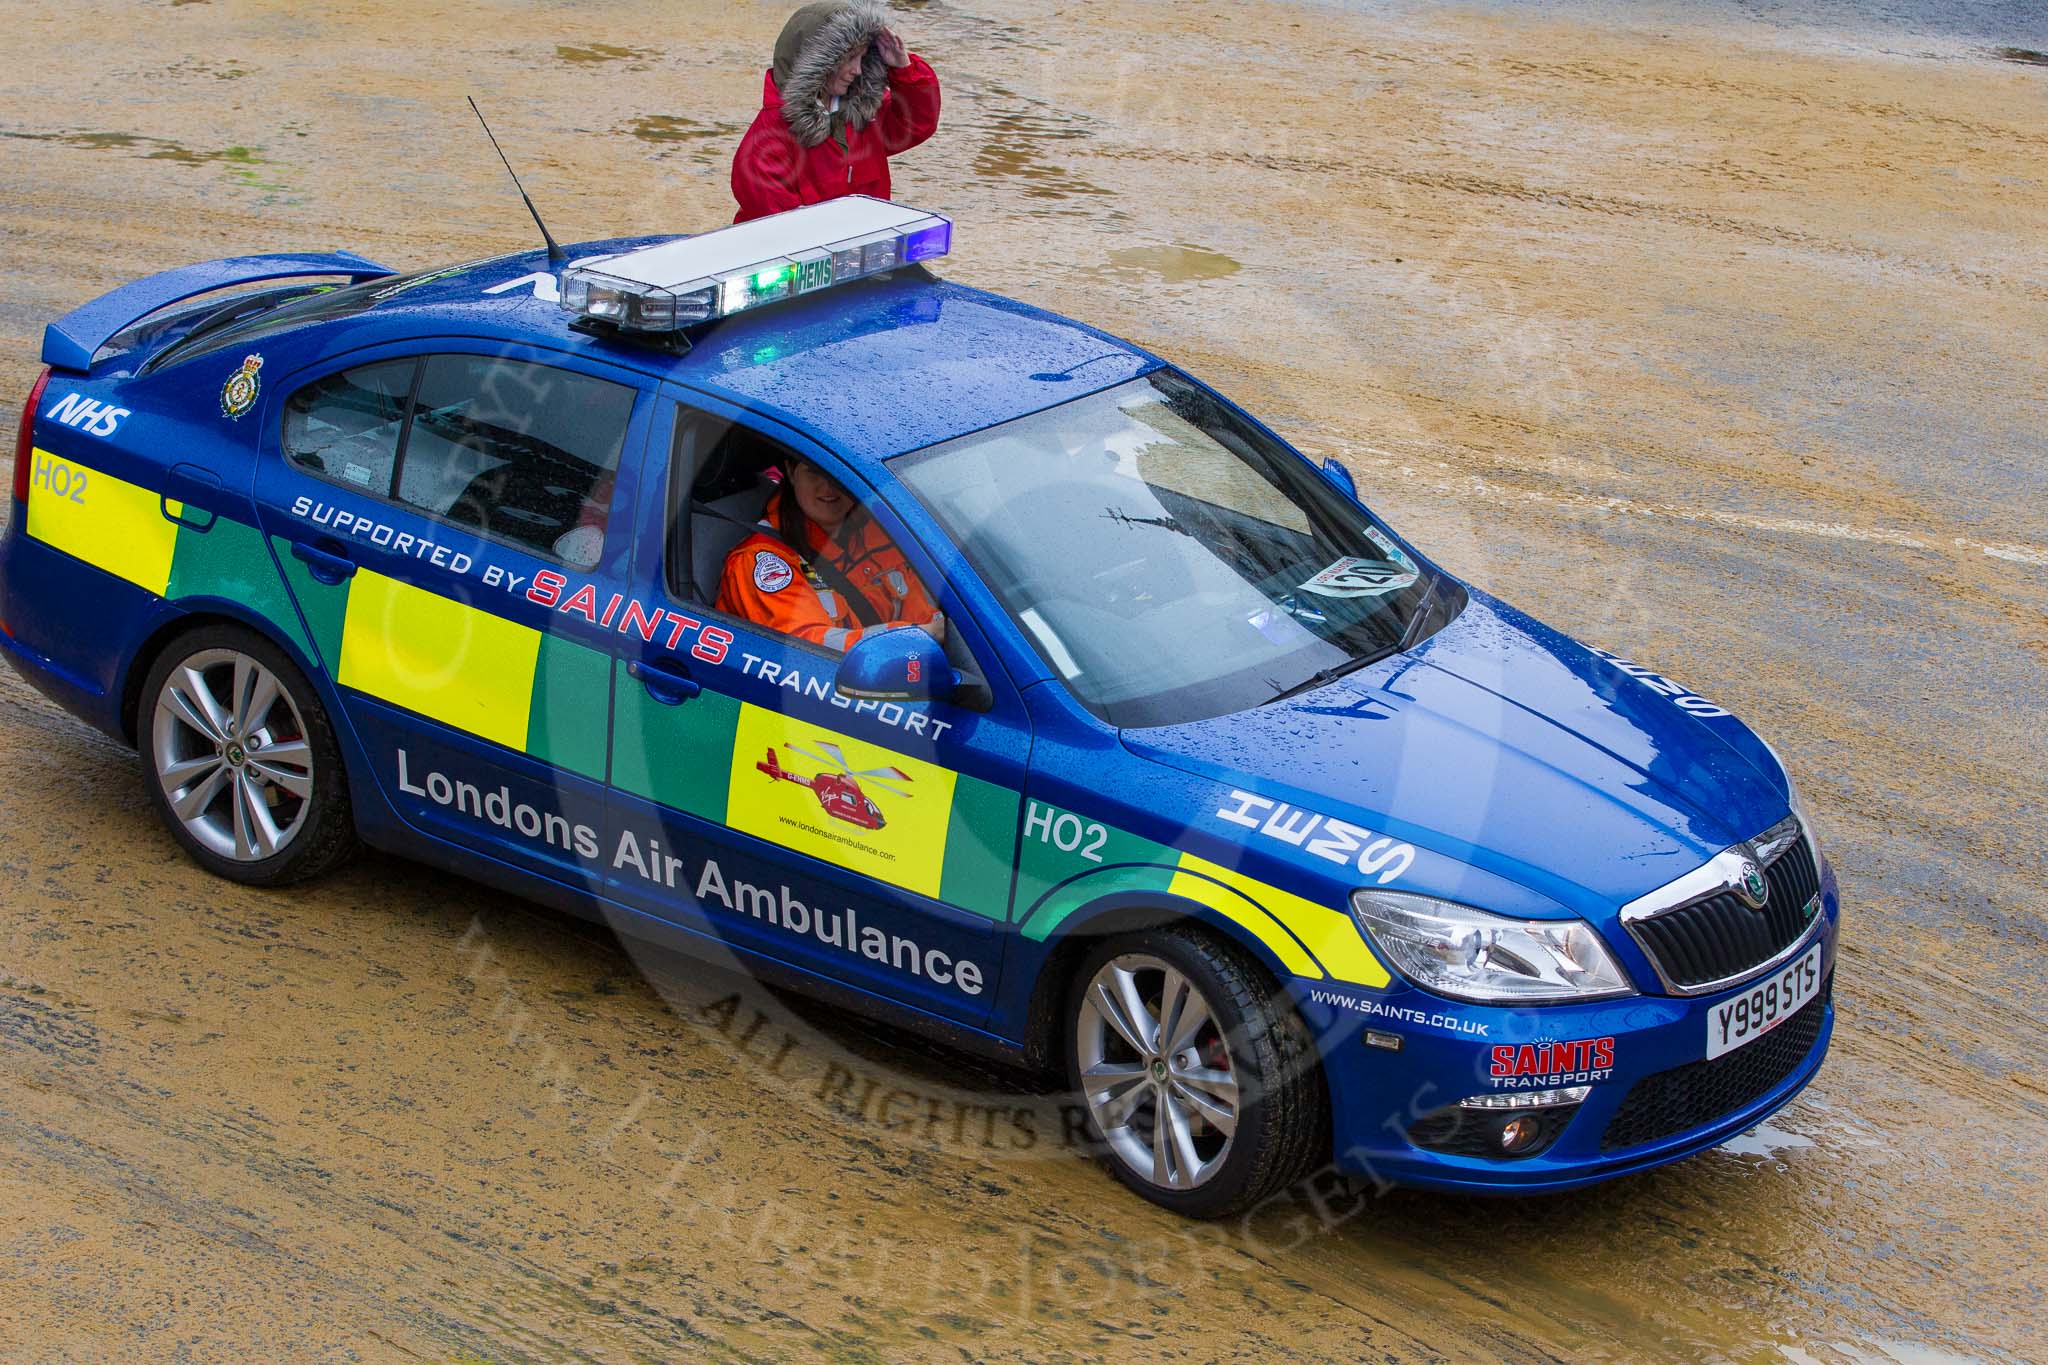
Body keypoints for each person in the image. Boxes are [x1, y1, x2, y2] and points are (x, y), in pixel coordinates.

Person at [731, 2, 941, 223]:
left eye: (862, 57)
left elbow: (917, 124)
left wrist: (903, 69)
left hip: (858, 249)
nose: (857, 70)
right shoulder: (766, 143)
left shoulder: (865, 113)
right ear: (816, 62)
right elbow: (784, 233)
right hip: (801, 254)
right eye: (850, 58)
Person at [717, 457, 944, 653]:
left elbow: (926, 617)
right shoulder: (763, 560)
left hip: (897, 674)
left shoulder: (879, 530)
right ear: (790, 472)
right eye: (814, 472)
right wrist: (912, 638)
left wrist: (925, 638)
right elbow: (805, 650)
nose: (828, 487)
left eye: (838, 473)